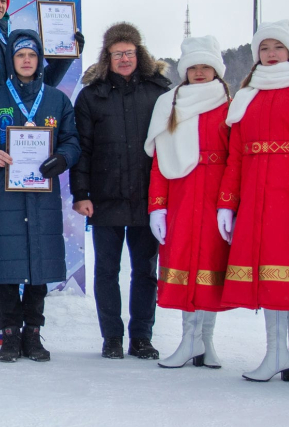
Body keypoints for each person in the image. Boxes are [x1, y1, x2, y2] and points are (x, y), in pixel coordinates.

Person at [217, 19, 289, 385]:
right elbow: (235, 158)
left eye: (277, 47)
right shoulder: (245, 98)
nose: (270, 54)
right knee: (267, 280)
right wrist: (226, 204)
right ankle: (276, 352)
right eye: (264, 48)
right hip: (255, 202)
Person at [0, 0, 82, 297]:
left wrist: (65, 52)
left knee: (5, 213)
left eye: (2, 0)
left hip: (19, 133)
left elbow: (43, 79)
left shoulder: (13, 37)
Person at [0, 30, 80, 363]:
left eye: (32, 55)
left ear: (39, 60)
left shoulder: (57, 100)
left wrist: (62, 158)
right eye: (20, 56)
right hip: (5, 195)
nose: (26, 61)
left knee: (39, 264)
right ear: (11, 61)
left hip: (42, 194)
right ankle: (10, 334)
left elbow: (72, 141)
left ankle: (33, 333)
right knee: (8, 264)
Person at [71, 22, 171, 360]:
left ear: (139, 53)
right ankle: (112, 336)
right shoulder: (92, 95)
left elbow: (171, 146)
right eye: (117, 54)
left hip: (148, 197)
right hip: (104, 197)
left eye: (129, 52)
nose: (124, 59)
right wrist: (81, 193)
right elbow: (81, 148)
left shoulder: (160, 91)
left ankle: (142, 336)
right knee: (106, 271)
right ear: (107, 57)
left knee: (145, 271)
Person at [143, 35, 232, 369]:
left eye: (205, 67)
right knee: (184, 266)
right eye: (192, 67)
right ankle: (188, 339)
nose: (198, 73)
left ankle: (205, 340)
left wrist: (229, 202)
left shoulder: (229, 104)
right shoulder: (170, 104)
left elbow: (236, 157)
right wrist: (158, 206)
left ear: (216, 70)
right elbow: (160, 158)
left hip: (215, 197)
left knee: (209, 267)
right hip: (182, 194)